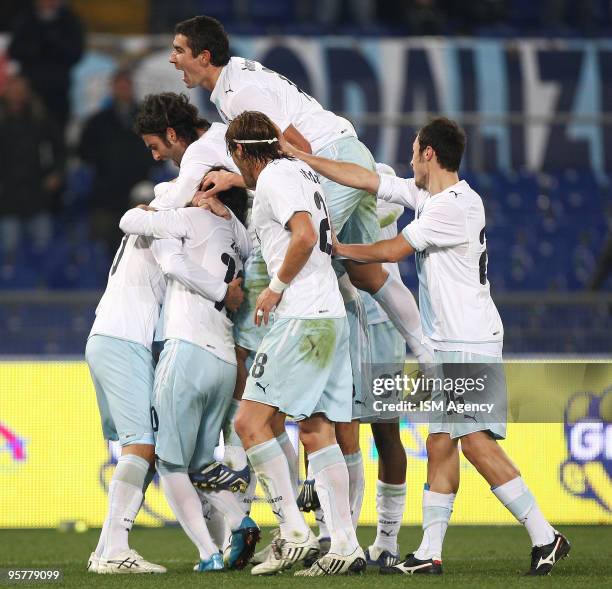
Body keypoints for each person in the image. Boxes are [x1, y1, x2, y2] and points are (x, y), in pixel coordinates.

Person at [280, 116, 571, 577]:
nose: (410, 159)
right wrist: (303, 158)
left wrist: (336, 249)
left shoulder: (456, 205)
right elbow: (366, 179)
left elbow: (394, 250)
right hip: (449, 341)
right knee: (439, 444)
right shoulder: (429, 197)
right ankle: (430, 553)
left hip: (470, 340)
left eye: (415, 151)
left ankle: (544, 535)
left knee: (473, 442)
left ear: (429, 154)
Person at [169, 15, 433, 368]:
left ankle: (280, 368)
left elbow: (297, 145)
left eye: (179, 50)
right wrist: (235, 179)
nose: (172, 59)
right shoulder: (234, 81)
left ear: (203, 56)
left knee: (296, 250)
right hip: (346, 155)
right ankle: (430, 355)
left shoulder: (238, 93)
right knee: (364, 273)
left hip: (332, 161)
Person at [85, 93, 248, 574]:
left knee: (155, 446)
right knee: (144, 445)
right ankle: (113, 550)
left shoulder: (165, 211)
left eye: (157, 145)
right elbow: (170, 254)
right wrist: (226, 292)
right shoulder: (166, 215)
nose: (156, 155)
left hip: (121, 338)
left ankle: (220, 538)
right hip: (123, 338)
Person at [227, 110, 366, 576]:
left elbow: (304, 235)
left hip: (303, 316)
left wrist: (276, 287)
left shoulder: (274, 178)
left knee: (249, 421)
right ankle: (344, 543)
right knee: (316, 429)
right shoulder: (300, 171)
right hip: (328, 315)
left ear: (243, 151)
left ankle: (293, 531)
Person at [119, 186, 259, 572]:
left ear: (208, 195)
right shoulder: (238, 233)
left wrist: (154, 208)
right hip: (224, 361)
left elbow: (129, 222)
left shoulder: (190, 218)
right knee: (199, 461)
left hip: (187, 351)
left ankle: (208, 553)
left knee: (169, 463)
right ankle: (240, 522)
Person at [78, 69, 157, 254]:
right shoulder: (98, 121)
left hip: (140, 191)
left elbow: (158, 150)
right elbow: (84, 151)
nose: (122, 90)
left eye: (126, 85)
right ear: (112, 88)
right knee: (104, 244)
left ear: (132, 88)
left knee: (142, 244)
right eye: (118, 86)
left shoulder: (148, 120)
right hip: (106, 194)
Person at [0, 74, 64, 262]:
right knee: (9, 253)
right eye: (14, 88)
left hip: (38, 196)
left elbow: (60, 149)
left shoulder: (40, 118)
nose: (18, 93)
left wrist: (56, 174)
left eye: (21, 88)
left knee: (43, 252)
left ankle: (42, 289)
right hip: (7, 199)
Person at [8, 0, 83, 130]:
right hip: (31, 88)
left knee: (56, 129)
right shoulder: (25, 19)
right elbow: (14, 50)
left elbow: (76, 53)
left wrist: (56, 47)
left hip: (58, 88)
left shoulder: (70, 20)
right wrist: (36, 48)